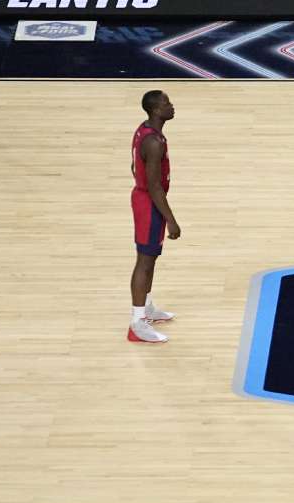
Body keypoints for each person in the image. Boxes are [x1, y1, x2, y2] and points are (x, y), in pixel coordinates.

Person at [128, 90, 179, 344]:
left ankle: (146, 307)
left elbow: (134, 166)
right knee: (145, 261)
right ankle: (137, 323)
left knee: (150, 259)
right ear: (155, 110)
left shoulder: (145, 130)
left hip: (146, 201)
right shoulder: (154, 142)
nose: (172, 107)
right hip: (150, 205)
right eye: (166, 104)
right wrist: (170, 218)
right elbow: (154, 186)